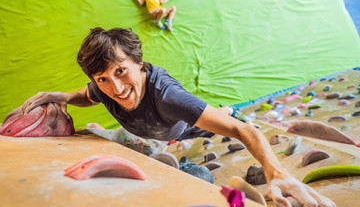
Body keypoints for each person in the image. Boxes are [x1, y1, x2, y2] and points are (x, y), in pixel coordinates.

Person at [22, 27, 335, 207]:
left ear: (139, 62)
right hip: (154, 131)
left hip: (186, 130)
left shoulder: (168, 98)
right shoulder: (103, 87)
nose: (116, 88)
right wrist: (63, 97)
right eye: (103, 78)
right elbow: (87, 95)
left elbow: (244, 130)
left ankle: (222, 108)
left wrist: (277, 173)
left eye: (121, 72)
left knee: (223, 118)